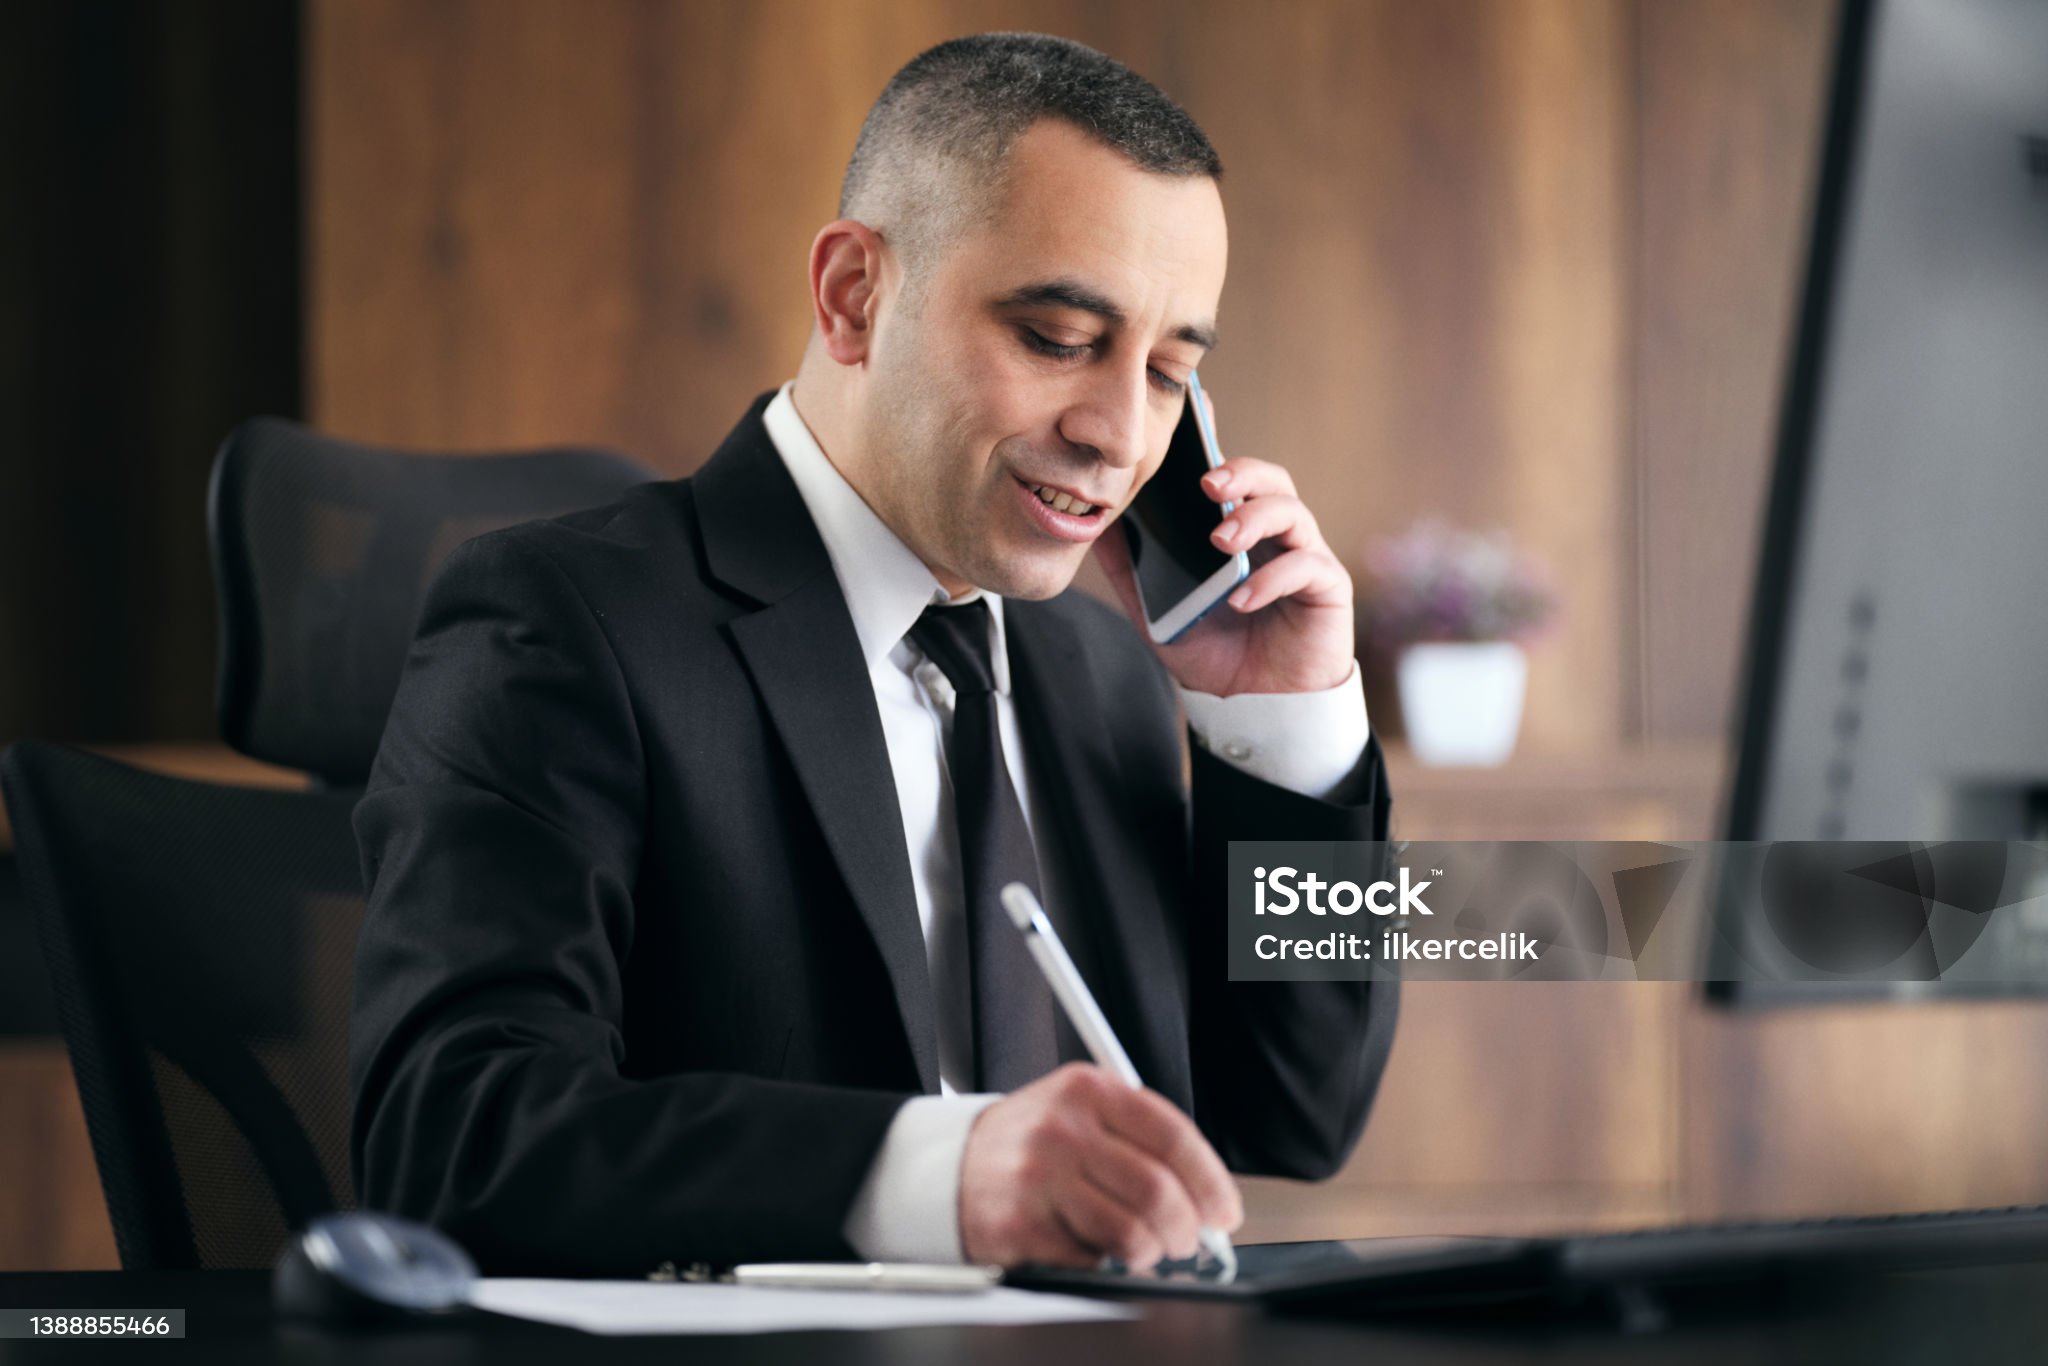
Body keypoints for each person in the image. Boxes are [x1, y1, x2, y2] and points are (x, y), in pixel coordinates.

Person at [349, 32, 1396, 1277]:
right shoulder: (562, 622)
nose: (1121, 436)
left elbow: (1297, 1111)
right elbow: (449, 1133)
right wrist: (939, 1177)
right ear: (853, 296)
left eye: (1171, 370)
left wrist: (1282, 732)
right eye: (1060, 337)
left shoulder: (1103, 676)